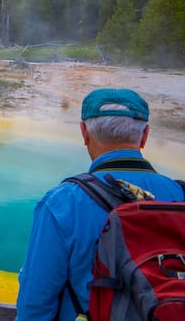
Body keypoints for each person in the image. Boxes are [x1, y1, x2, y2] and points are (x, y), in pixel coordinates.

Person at [16, 88, 185, 320]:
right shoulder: (180, 195)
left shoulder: (63, 203)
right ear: (145, 135)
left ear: (84, 133)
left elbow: (36, 305)